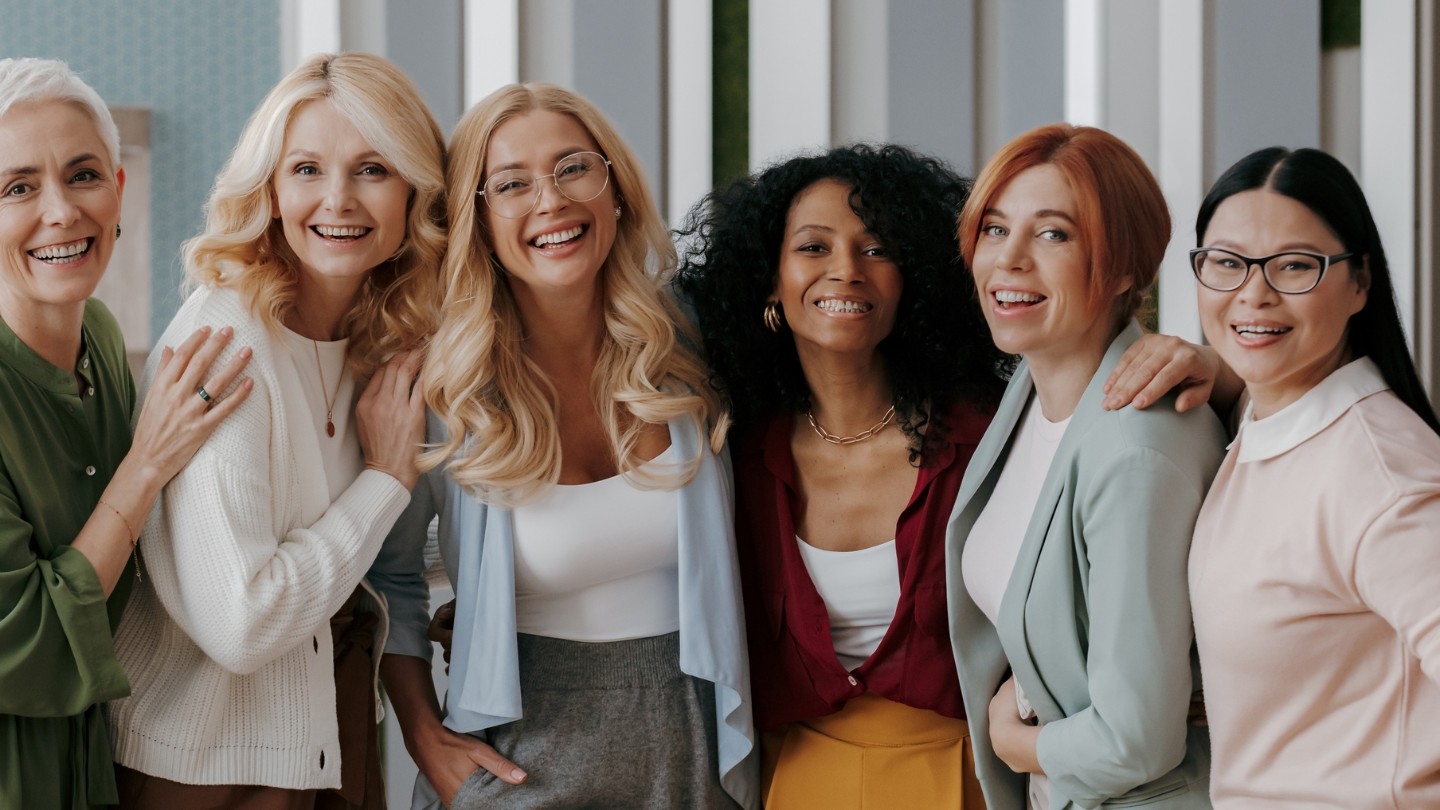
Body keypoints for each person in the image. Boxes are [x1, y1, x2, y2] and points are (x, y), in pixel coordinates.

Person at [373, 83, 755, 810]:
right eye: (512, 184)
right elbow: (389, 581)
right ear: (479, 220)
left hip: (691, 746)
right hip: (519, 762)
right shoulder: (444, 391)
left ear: (614, 186)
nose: (550, 201)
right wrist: (425, 737)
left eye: (573, 167)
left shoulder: (692, 350)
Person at [104, 52, 442, 808]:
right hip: (204, 770)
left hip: (325, 740)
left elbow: (361, 547)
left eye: (373, 169)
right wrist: (384, 480)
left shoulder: (375, 340)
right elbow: (246, 623)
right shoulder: (227, 342)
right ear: (271, 188)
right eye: (307, 169)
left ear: (416, 187)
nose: (339, 200)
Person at [675, 144, 1004, 808]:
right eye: (814, 248)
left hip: (968, 774)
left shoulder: (988, 442)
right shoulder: (732, 458)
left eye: (876, 249)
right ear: (770, 279)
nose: (846, 271)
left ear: (910, 277)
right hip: (795, 779)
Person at [947, 123, 1225, 809]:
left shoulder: (1135, 450)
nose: (1009, 259)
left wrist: (1017, 743)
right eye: (994, 229)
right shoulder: (1027, 392)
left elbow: (1136, 739)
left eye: (1053, 235)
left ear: (1127, 265)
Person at [0, 57, 252, 809]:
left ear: (118, 186)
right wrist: (145, 465)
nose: (60, 212)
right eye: (17, 188)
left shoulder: (104, 341)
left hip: (96, 764)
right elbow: (30, 642)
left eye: (81, 176)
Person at [1187, 147, 1440, 808]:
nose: (1254, 292)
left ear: (1361, 283)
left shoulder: (1383, 478)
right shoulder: (1266, 418)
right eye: (1226, 263)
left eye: (1296, 265)